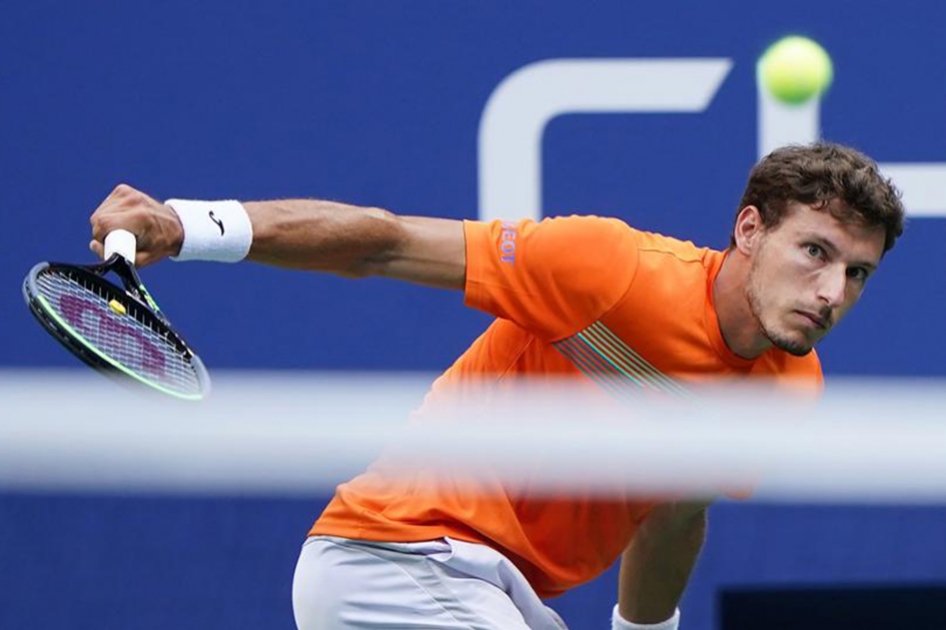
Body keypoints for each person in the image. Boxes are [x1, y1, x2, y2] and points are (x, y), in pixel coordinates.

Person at [89, 142, 904, 630]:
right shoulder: (610, 270)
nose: (834, 293)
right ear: (750, 229)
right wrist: (187, 225)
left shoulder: (788, 393)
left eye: (858, 273)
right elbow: (384, 243)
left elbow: (677, 509)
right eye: (816, 253)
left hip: (501, 597)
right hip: (400, 558)